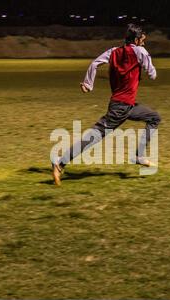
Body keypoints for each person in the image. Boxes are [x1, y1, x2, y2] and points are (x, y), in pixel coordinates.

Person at [52, 24, 161, 186]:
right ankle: (60, 162)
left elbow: (95, 63)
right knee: (94, 137)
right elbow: (153, 75)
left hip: (126, 104)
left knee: (154, 118)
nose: (144, 44)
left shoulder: (113, 51)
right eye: (143, 41)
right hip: (120, 107)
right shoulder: (140, 52)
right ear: (136, 40)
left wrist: (88, 84)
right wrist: (145, 66)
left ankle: (138, 156)